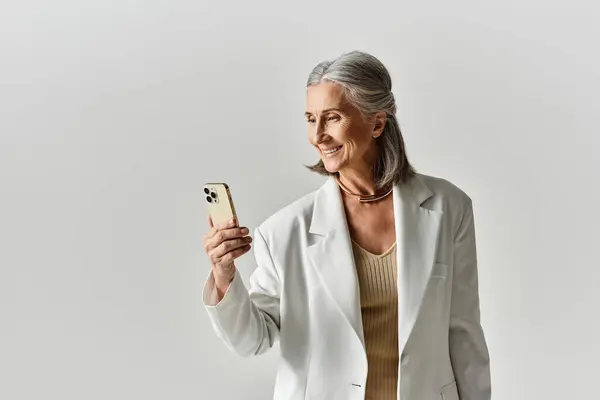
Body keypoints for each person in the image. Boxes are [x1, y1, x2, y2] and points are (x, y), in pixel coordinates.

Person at [202, 50, 491, 400]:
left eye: (332, 117)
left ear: (377, 123)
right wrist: (223, 274)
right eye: (310, 119)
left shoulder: (449, 208)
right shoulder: (285, 231)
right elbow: (253, 340)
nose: (317, 136)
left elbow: (463, 334)